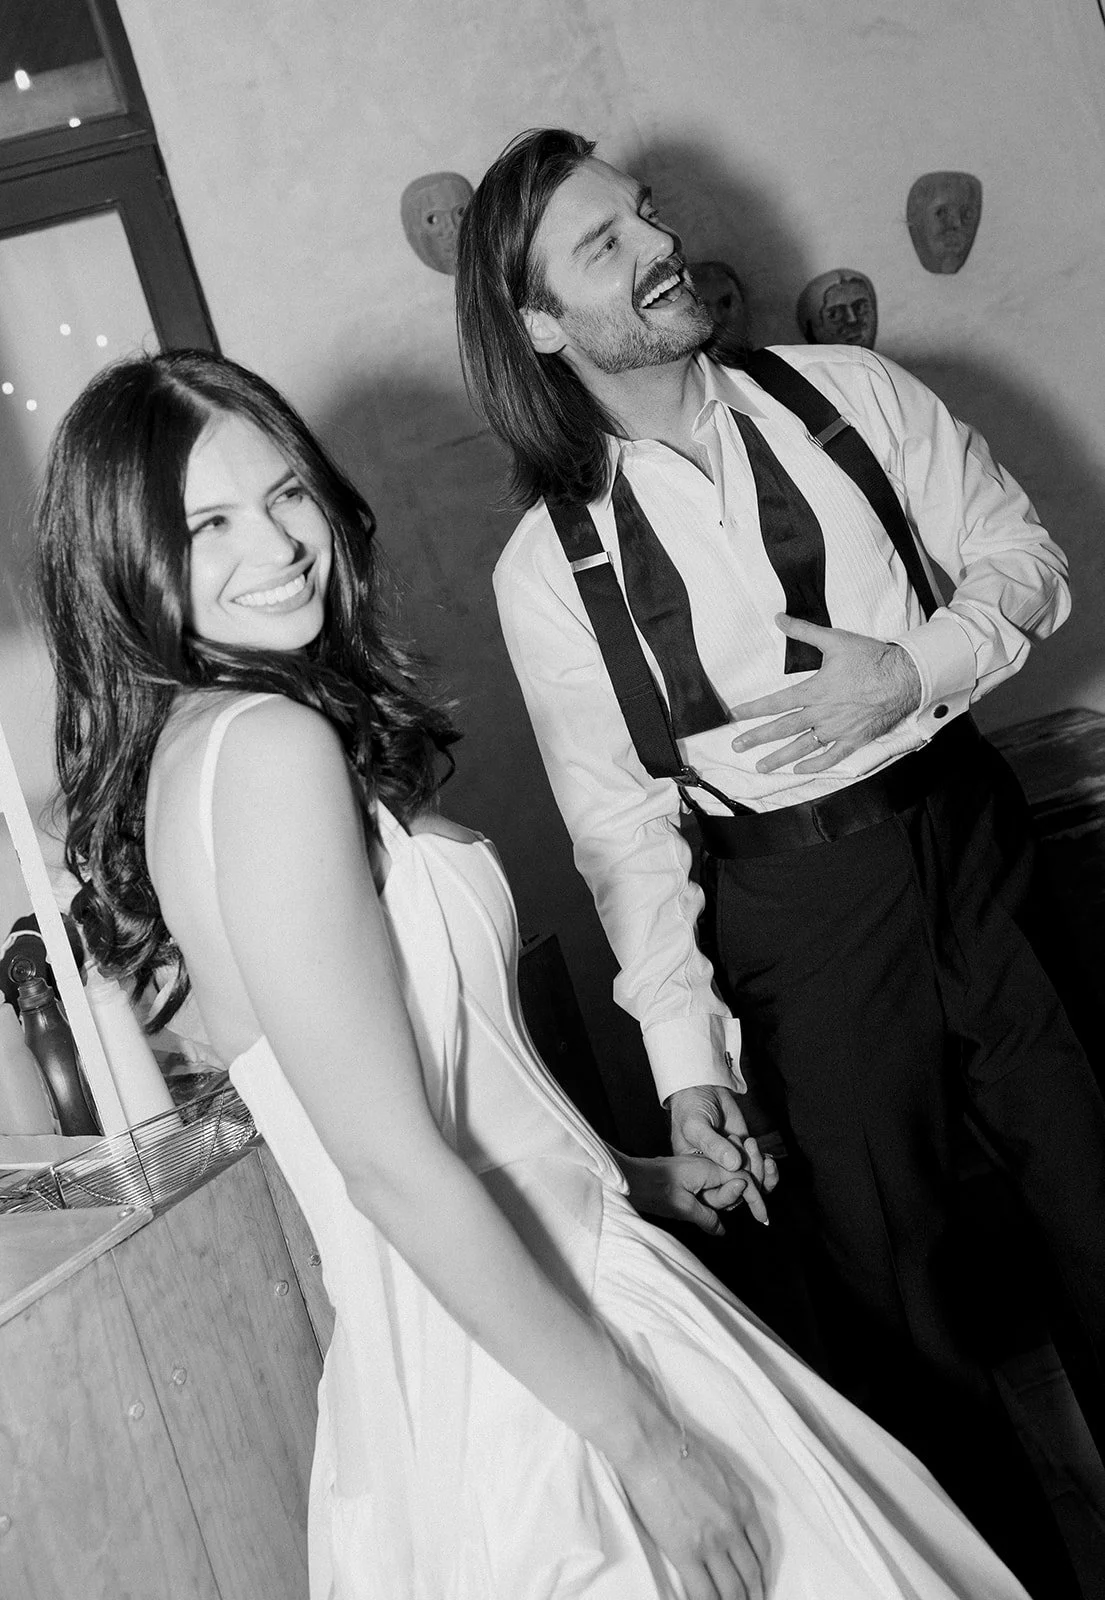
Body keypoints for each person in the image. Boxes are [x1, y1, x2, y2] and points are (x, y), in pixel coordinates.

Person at [35, 349, 1033, 1600]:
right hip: (535, 1374)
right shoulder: (270, 749)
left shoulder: (199, 747)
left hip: (494, 1310)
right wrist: (646, 1442)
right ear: (125, 559)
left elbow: (415, 1095)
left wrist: (626, 1176)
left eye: (286, 493)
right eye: (208, 524)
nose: (279, 545)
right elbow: (385, 1165)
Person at [454, 127, 1105, 1597]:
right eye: (606, 245)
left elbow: (1024, 558)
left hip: (969, 836)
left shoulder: (853, 395)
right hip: (792, 919)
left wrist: (916, 669)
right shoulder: (548, 570)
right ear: (542, 325)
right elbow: (622, 831)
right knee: (898, 1314)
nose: (658, 244)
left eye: (646, 214)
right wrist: (686, 1061)